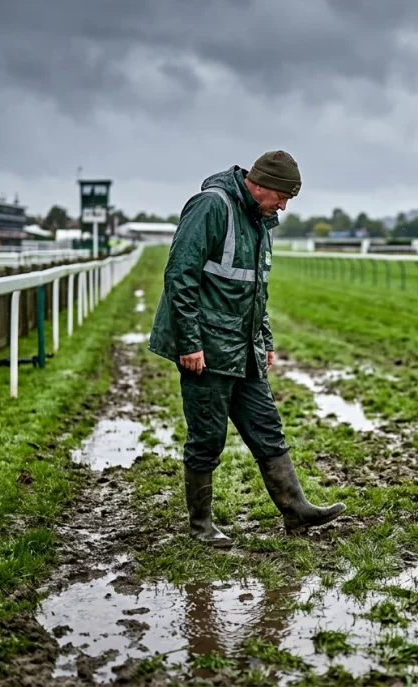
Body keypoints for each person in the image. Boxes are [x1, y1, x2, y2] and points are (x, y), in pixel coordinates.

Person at [148, 150, 346, 548]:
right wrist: (189, 343)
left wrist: (265, 340)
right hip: (206, 349)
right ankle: (201, 527)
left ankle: (296, 510)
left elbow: (254, 290)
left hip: (245, 348)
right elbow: (179, 276)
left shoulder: (259, 221)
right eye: (282, 196)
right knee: (207, 439)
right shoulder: (211, 207)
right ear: (260, 184)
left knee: (267, 428)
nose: (284, 205)